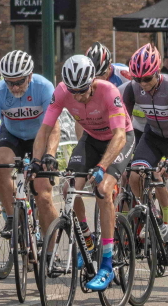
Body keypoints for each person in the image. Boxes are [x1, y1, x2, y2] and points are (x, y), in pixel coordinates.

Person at [33, 54, 131, 292]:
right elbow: (45, 130)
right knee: (69, 188)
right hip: (92, 139)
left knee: (103, 189)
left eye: (83, 91)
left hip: (120, 139)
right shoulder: (62, 91)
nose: (78, 96)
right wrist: (36, 162)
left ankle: (107, 265)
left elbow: (119, 136)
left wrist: (101, 167)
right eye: (73, 91)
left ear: (92, 81)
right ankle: (87, 240)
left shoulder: (108, 91)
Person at [120, 41, 168, 280]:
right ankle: (158, 218)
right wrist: (121, 159)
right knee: (135, 174)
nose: (144, 84)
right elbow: (122, 127)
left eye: (148, 79)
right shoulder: (133, 88)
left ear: (157, 72)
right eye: (139, 79)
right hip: (153, 136)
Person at [0, 49, 58, 238]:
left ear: (30, 76)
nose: (14, 87)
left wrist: (50, 155)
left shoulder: (44, 87)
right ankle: (12, 217)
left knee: (43, 195)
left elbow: (53, 128)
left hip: (39, 137)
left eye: (19, 82)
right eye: (9, 82)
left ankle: (49, 249)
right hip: (12, 134)